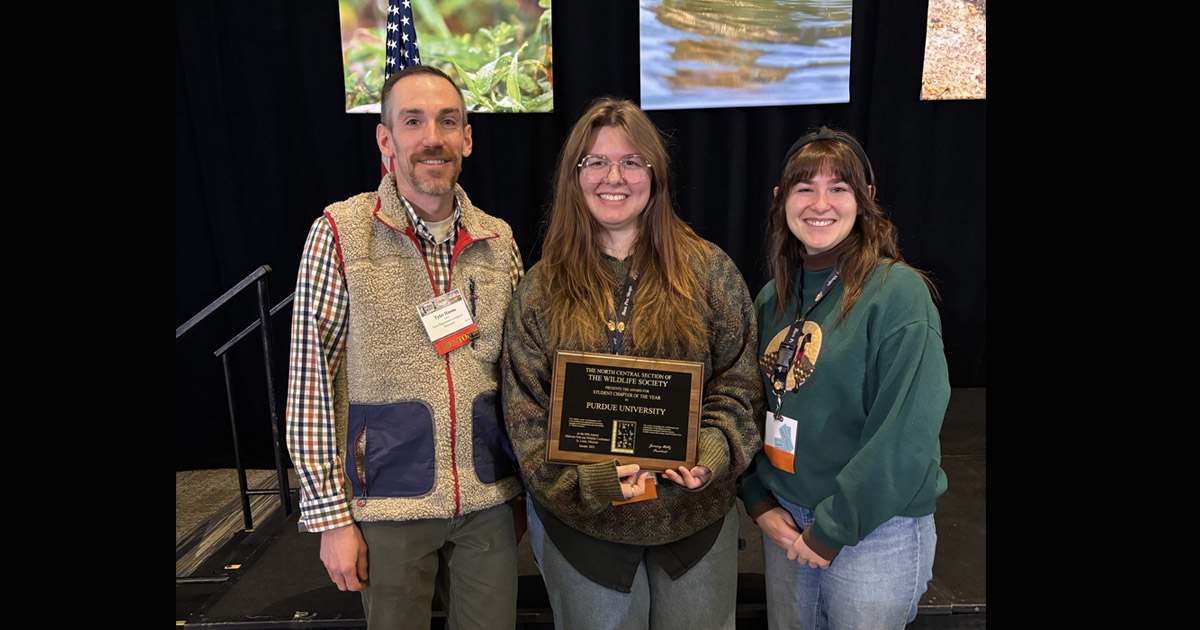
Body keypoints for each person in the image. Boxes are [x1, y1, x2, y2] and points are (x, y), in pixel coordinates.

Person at [501, 97, 763, 630]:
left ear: (654, 173)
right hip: (585, 533)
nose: (613, 177)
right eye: (595, 162)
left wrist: (714, 448)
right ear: (574, 177)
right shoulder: (540, 290)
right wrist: (586, 483)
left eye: (631, 161)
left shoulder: (710, 272)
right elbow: (525, 415)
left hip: (694, 521)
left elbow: (741, 382)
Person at [284, 65, 526, 630]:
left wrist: (526, 489)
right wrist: (330, 518)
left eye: (447, 121)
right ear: (386, 139)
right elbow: (310, 377)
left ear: (467, 138)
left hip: (488, 503)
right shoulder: (340, 233)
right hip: (387, 500)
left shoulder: (499, 240)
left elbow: (520, 372)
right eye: (412, 121)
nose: (431, 137)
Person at [738, 126, 950, 629]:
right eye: (804, 187)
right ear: (781, 199)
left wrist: (832, 529)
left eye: (840, 188)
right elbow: (748, 406)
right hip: (788, 522)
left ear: (866, 199)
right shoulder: (773, 297)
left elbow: (904, 437)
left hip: (873, 531)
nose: (820, 203)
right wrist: (757, 498)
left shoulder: (897, 294)